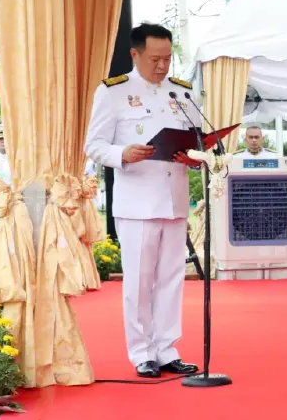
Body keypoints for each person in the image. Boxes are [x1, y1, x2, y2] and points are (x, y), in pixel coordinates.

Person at [83, 23, 203, 379]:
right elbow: (94, 145)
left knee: (171, 279)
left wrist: (194, 157)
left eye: (167, 59)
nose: (162, 66)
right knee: (138, 281)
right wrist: (123, 153)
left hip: (174, 199)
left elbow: (196, 140)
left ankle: (167, 349)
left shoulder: (182, 92)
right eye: (155, 59)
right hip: (137, 203)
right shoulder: (113, 92)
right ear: (135, 54)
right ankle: (142, 353)